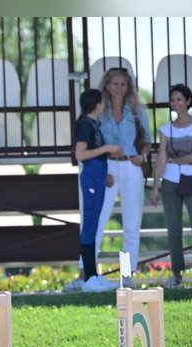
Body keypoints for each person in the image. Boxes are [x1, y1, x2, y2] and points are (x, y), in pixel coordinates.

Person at [149, 83, 192, 289]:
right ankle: (177, 275)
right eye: (173, 100)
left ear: (188, 101)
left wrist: (174, 161)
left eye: (179, 99)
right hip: (170, 183)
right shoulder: (165, 129)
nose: (176, 103)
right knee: (173, 230)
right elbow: (161, 158)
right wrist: (155, 186)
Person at [95, 66, 152, 288]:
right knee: (98, 220)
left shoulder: (137, 110)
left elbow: (146, 140)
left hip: (130, 165)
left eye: (123, 84)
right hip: (107, 166)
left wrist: (143, 156)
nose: (119, 88)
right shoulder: (99, 109)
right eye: (115, 84)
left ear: (128, 87)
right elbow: (94, 140)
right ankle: (90, 272)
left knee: (131, 223)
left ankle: (127, 276)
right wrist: (101, 166)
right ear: (107, 85)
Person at [64, 90, 122, 293]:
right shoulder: (85, 125)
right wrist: (107, 149)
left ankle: (93, 275)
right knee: (89, 226)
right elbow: (80, 154)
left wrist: (104, 172)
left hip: (97, 175)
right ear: (97, 104)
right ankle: (88, 277)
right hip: (90, 177)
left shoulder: (93, 124)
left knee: (94, 225)